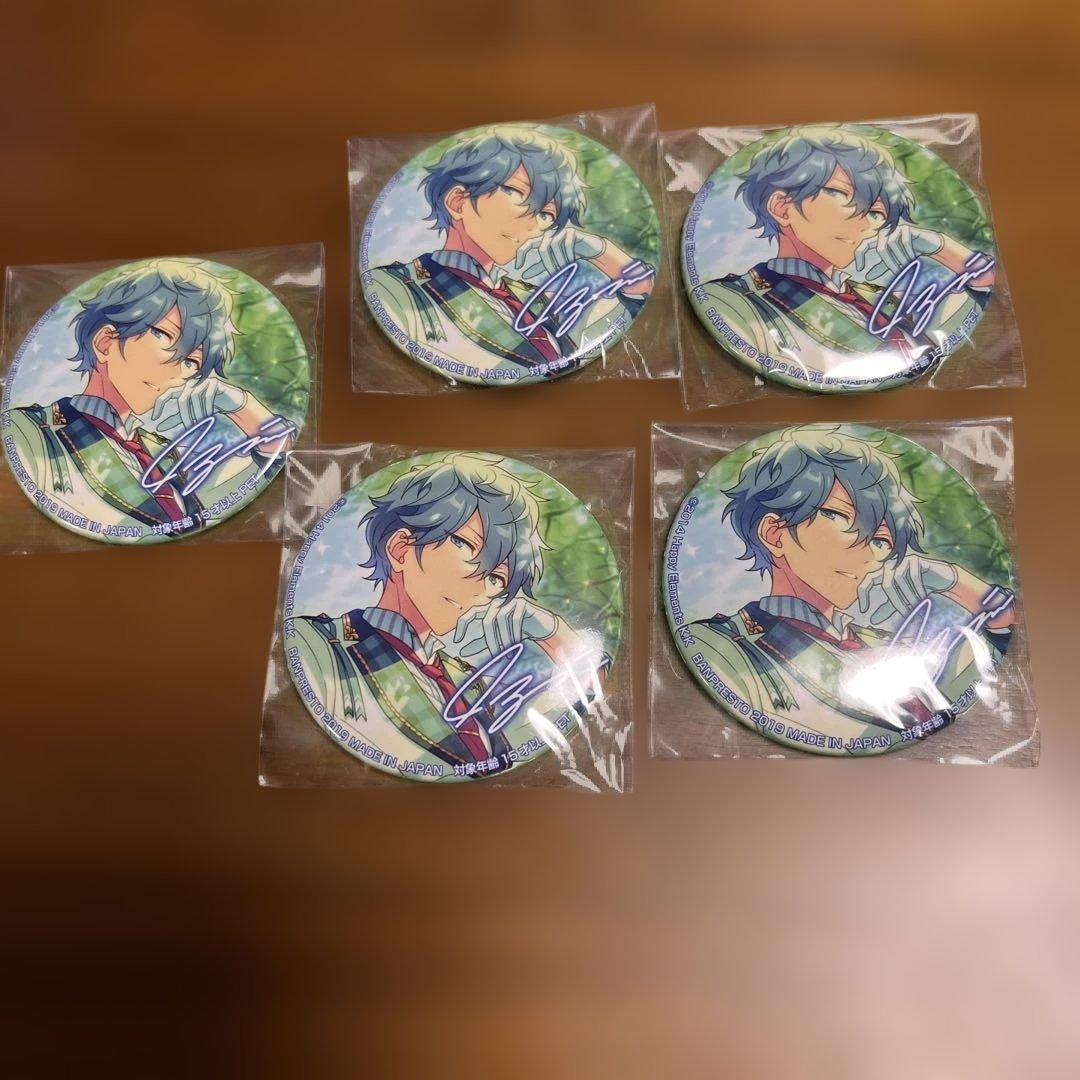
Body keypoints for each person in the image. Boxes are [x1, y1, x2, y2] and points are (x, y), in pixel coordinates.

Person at [686, 426, 1014, 739]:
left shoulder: (885, 644)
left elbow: (998, 635)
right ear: (774, 533)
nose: (868, 553)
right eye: (842, 518)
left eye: (881, 541)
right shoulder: (721, 643)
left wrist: (952, 580)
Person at [291, 453, 602, 777]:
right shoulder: (319, 644)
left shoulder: (468, 680)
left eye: (496, 578)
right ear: (400, 549)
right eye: (466, 545)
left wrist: (549, 629)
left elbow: (580, 692)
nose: (481, 588)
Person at [4, 259, 294, 536]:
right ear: (105, 342)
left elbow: (275, 459)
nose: (178, 372)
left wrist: (238, 402)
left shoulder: (165, 453)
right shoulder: (31, 430)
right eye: (166, 337)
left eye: (191, 362)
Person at [697, 128, 995, 377]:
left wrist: (938, 245)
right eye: (841, 194)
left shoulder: (877, 297)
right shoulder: (734, 300)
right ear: (782, 207)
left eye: (877, 213)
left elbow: (982, 287)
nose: (866, 222)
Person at [367, 127, 654, 377]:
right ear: (457, 202)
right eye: (517, 193)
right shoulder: (396, 287)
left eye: (546, 215)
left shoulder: (534, 299)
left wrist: (599, 249)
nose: (533, 224)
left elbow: (638, 294)